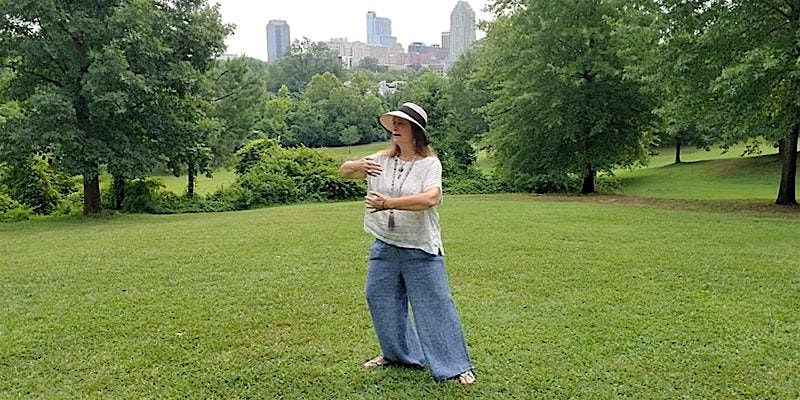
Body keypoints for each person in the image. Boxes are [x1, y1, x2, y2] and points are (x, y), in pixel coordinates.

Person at [339, 102, 476, 385]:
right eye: (393, 123)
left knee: (435, 304)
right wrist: (357, 165)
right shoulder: (381, 160)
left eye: (401, 124)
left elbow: (431, 199)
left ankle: (455, 366)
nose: (395, 128)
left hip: (420, 248)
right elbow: (345, 171)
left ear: (416, 131)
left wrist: (389, 203)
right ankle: (398, 355)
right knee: (380, 299)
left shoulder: (429, 164)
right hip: (385, 245)